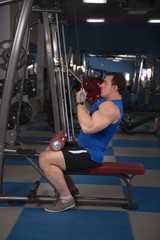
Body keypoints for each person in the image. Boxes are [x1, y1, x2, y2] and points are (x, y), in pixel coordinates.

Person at [39, 72, 126, 213]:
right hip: (84, 148)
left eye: (105, 82)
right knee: (50, 151)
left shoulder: (111, 108)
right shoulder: (105, 103)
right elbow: (90, 117)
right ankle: (72, 190)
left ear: (115, 88)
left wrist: (79, 103)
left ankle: (66, 199)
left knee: (45, 159)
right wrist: (83, 102)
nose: (101, 84)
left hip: (90, 154)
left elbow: (88, 127)